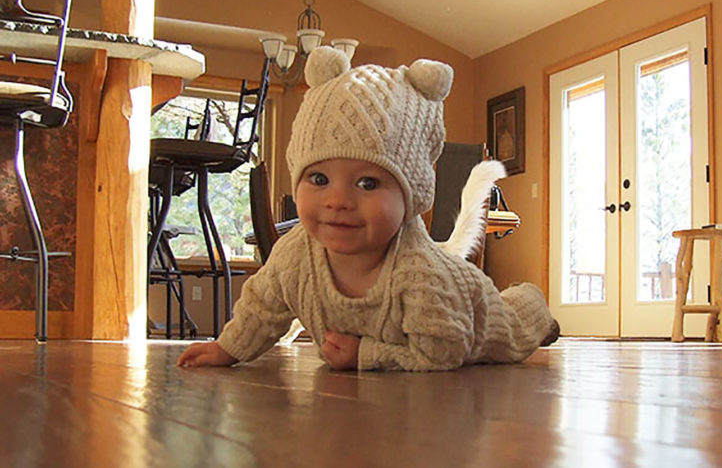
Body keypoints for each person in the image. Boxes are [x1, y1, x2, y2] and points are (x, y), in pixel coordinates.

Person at [177, 47, 558, 372]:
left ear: (411, 197)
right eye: (319, 179)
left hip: (474, 317)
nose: (338, 200)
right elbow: (262, 306)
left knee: (516, 323)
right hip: (429, 325)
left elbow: (446, 350)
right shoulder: (295, 254)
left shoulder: (421, 275)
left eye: (368, 184)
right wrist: (227, 349)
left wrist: (368, 354)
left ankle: (535, 306)